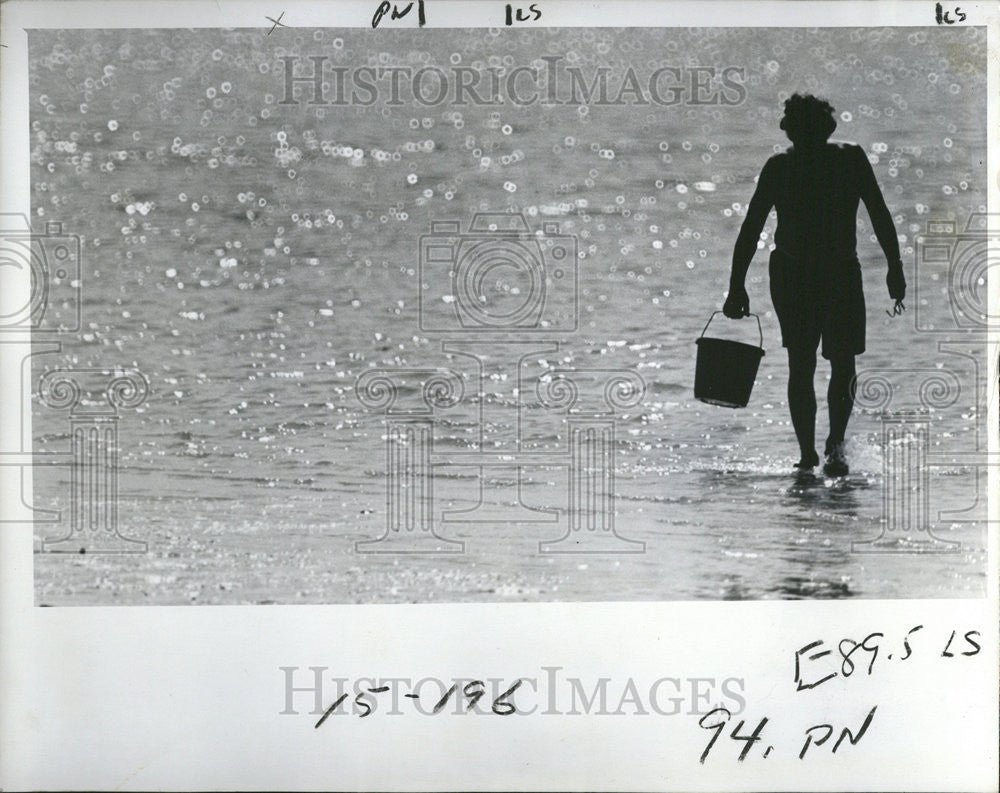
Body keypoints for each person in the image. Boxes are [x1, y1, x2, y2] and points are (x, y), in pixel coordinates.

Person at [723, 93, 906, 477]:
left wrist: (895, 265)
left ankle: (831, 445)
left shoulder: (844, 159)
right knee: (814, 362)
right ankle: (813, 451)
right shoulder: (788, 166)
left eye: (788, 122)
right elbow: (752, 227)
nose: (784, 128)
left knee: (825, 363)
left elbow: (878, 210)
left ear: (797, 128)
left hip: (831, 272)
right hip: (798, 274)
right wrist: (735, 284)